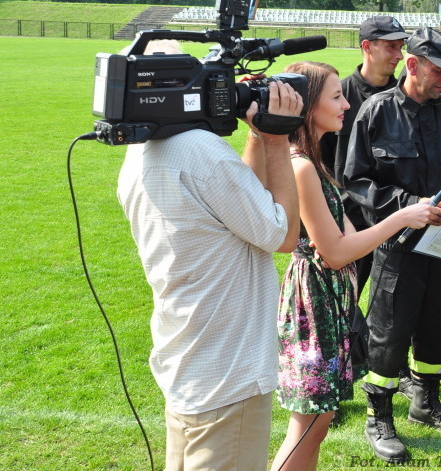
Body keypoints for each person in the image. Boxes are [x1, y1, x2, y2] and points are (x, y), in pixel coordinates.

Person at [270, 62, 441, 471]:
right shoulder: (301, 166)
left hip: (330, 302)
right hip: (314, 306)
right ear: (307, 105)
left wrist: (399, 219)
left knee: (318, 425)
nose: (346, 104)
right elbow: (335, 252)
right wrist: (402, 217)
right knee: (307, 427)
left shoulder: (315, 162)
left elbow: (349, 240)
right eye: (336, 97)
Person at [117, 80, 304, 471]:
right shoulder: (201, 150)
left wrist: (256, 133)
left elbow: (241, 207)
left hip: (188, 357)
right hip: (228, 372)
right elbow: (283, 235)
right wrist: (276, 139)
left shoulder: (141, 148)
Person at [344, 27, 441, 463]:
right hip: (396, 245)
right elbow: (356, 180)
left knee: (436, 329)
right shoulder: (376, 111)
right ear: (412, 65)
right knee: (389, 334)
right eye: (439, 71)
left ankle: (425, 403)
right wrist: (408, 205)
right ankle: (378, 416)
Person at [326, 15, 409, 294]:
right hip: (348, 224)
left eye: (401, 47)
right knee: (344, 304)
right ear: (367, 46)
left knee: (390, 310)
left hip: (396, 221)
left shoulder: (406, 99)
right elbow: (318, 161)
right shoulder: (339, 96)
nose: (399, 55)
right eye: (391, 47)